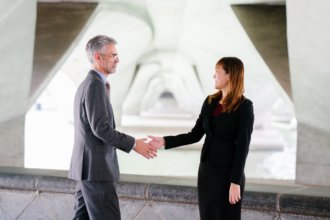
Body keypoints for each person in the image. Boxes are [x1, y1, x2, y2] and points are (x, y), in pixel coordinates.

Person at [148, 57, 254, 220]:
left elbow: (243, 147)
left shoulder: (245, 107)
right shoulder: (210, 101)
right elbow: (195, 134)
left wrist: (235, 182)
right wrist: (164, 141)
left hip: (228, 175)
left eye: (217, 72)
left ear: (230, 76)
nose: (213, 76)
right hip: (207, 173)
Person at [68, 35, 157, 220]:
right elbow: (100, 128)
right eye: (113, 55)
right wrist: (134, 144)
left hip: (86, 169)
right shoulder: (95, 85)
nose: (118, 59)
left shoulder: (87, 84)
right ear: (98, 57)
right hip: (96, 170)